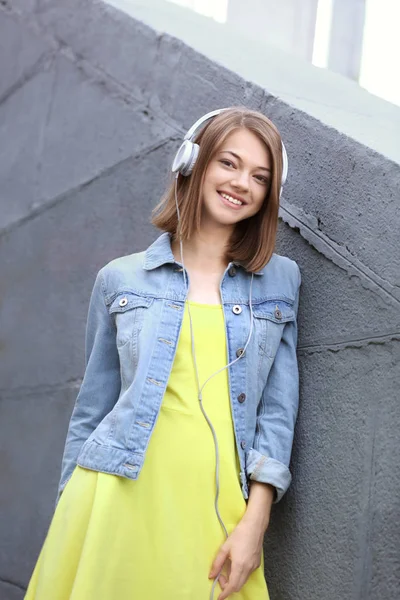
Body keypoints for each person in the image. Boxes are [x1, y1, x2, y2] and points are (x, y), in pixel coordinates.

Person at [25, 107, 301, 600]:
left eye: (260, 177)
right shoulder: (120, 278)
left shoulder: (280, 282)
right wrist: (71, 516)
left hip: (215, 506)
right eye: (228, 163)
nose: (242, 183)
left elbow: (277, 414)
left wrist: (255, 522)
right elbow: (92, 408)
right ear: (192, 163)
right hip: (115, 495)